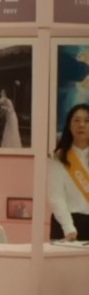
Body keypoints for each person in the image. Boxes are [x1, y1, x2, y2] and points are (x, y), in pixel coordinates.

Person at [49, 103, 89, 241]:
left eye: (87, 120)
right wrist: (68, 227)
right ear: (69, 125)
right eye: (76, 120)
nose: (81, 125)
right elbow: (56, 196)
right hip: (67, 224)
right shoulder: (59, 157)